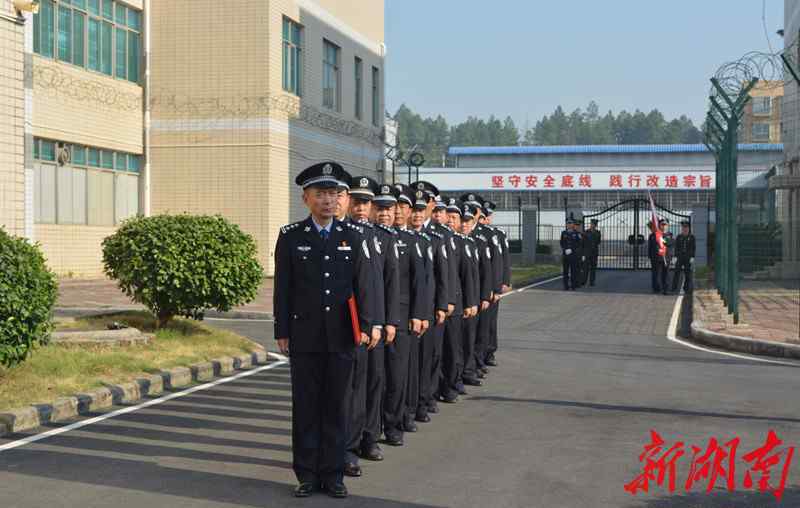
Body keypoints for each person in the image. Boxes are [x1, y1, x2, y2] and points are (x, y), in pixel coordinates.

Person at [273, 161, 377, 499]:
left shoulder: (353, 236)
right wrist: (282, 329)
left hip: (342, 335)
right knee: (305, 407)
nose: (328, 201)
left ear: (341, 199)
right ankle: (306, 474)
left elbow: (364, 285)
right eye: (320, 194)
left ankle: (333, 475)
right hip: (304, 336)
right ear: (306, 198)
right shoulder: (290, 236)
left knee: (336, 407)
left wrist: (366, 325)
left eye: (333, 194)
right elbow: (283, 288)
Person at [340, 177, 384, 478]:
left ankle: (367, 438)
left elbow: (379, 285)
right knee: (348, 392)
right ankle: (347, 449)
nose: (359, 207)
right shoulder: (338, 234)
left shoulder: (377, 236)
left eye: (364, 202)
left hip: (370, 325)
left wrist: (378, 322)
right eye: (355, 201)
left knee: (369, 385)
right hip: (344, 326)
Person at [381, 184, 426, 446]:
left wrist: (419, 313)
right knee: (377, 378)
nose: (397, 211)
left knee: (397, 375)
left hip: (402, 316)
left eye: (401, 206)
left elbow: (420, 281)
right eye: (392, 206)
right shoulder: (372, 237)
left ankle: (394, 424)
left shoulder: (412, 241)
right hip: (376, 316)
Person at [407, 184, 448, 424]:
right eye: (414, 209)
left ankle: (425, 400)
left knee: (429, 356)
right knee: (411, 362)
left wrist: (443, 304)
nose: (417, 214)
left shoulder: (436, 237)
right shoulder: (397, 237)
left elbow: (443, 274)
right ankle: (412, 404)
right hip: (405, 310)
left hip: (430, 307)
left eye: (421, 209)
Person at [439, 197, 477, 403]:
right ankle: (443, 384)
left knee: (454, 347)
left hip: (457, 302)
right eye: (450, 216)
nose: (452, 221)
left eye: (455, 217)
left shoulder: (459, 242)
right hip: (439, 303)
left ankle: (453, 383)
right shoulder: (438, 238)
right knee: (440, 350)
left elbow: (467, 275)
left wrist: (470, 302)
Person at [480, 200, 511, 368]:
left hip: (492, 285)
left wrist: (503, 281)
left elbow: (503, 260)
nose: (485, 219)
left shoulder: (497, 234)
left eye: (487, 216)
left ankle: (490, 351)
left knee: (491, 321)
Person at [648, 218, 674, 295]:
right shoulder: (653, 235)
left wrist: (662, 240)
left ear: (668, 226)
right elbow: (650, 246)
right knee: (655, 274)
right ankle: (656, 288)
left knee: (665, 274)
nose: (663, 226)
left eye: (665, 224)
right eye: (662, 224)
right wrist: (650, 256)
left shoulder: (669, 235)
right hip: (656, 258)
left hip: (666, 257)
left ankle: (665, 288)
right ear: (659, 225)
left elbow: (670, 244)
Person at [671, 220, 695, 293]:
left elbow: (693, 247)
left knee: (688, 273)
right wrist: (675, 257)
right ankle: (674, 288)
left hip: (688, 257)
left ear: (688, 228)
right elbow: (676, 247)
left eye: (686, 227)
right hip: (680, 257)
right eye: (683, 227)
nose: (685, 229)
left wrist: (692, 257)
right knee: (676, 273)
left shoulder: (691, 237)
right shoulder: (679, 237)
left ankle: (686, 288)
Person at [560, 219, 581, 290]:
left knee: (573, 271)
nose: (569, 225)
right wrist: (565, 249)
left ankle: (573, 285)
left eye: (570, 223)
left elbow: (578, 244)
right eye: (568, 223)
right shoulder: (563, 233)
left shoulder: (577, 233)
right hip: (565, 255)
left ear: (573, 225)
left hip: (573, 255)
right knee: (565, 271)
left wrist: (572, 249)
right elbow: (562, 242)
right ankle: (566, 286)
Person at [583, 219, 602, 286]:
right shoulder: (586, 232)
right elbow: (583, 242)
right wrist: (583, 253)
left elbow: (599, 241)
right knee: (585, 268)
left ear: (596, 225)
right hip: (587, 253)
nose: (592, 225)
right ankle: (584, 281)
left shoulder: (598, 232)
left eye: (594, 224)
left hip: (594, 253)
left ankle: (592, 282)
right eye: (591, 224)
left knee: (593, 268)